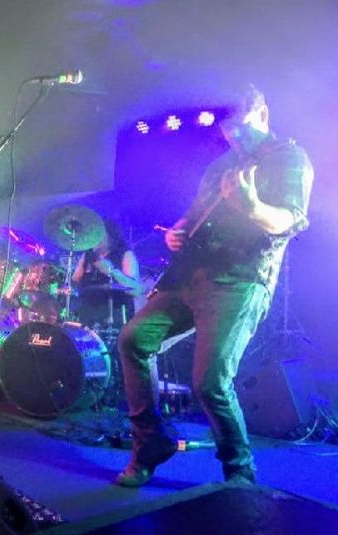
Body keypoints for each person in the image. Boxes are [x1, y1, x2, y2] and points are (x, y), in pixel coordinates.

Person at [115, 84, 313, 486]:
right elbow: (192, 218)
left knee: (210, 382)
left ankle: (239, 470)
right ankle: (151, 442)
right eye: (227, 130)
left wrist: (253, 206)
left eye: (240, 127)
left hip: (240, 281)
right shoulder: (221, 166)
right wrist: (177, 232)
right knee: (133, 340)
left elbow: (289, 220)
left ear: (262, 113)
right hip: (190, 277)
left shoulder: (289, 158)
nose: (233, 136)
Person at [71, 219, 142, 328]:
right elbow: (75, 281)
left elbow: (136, 289)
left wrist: (111, 270)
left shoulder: (125, 254)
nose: (96, 239)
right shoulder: (87, 255)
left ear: (111, 236)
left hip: (115, 314)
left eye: (99, 235)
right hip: (88, 314)